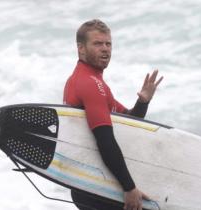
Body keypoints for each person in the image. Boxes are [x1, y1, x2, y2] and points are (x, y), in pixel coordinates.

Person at [63, 19, 163, 210]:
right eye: (97, 43)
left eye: (108, 44)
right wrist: (129, 187)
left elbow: (129, 122)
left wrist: (143, 102)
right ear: (81, 48)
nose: (105, 49)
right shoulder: (90, 84)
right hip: (96, 185)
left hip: (87, 182)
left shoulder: (89, 82)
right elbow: (105, 139)